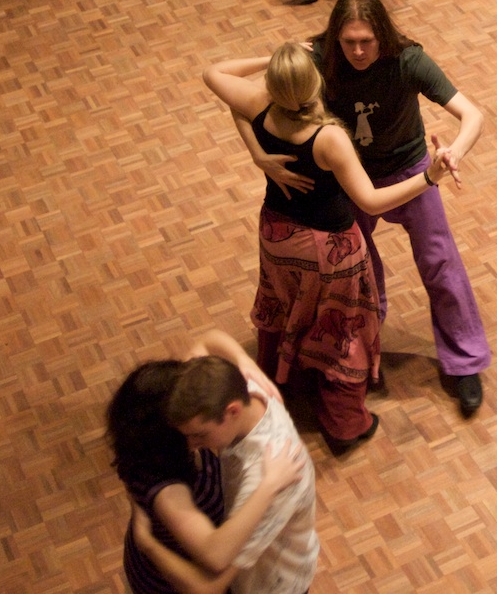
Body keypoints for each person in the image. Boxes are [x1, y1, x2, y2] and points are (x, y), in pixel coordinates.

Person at [241, 0, 492, 416]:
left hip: (411, 169)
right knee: (360, 277)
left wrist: (454, 153)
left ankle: (465, 361)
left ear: (383, 37)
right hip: (350, 177)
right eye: (349, 42)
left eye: (367, 42)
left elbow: (473, 115)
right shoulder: (318, 59)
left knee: (440, 262)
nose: (358, 51)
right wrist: (257, 153)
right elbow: (242, 100)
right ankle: (363, 357)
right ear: (334, 39)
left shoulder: (408, 60)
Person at [202, 43, 454, 449]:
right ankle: (343, 423)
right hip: (329, 249)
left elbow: (215, 73)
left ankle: (286, 388)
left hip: (277, 236)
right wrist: (429, 178)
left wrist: (258, 147)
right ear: (315, 83)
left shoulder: (260, 104)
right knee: (339, 327)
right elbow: (371, 201)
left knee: (288, 309)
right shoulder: (329, 137)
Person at [109, 341, 307, 594]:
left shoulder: (184, 412)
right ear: (171, 430)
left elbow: (208, 339)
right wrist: (269, 487)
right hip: (171, 583)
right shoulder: (168, 493)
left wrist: (243, 361)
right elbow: (215, 560)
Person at [166, 353, 318, 594]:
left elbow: (215, 571)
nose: (192, 446)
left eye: (200, 435)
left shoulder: (267, 479)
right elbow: (209, 339)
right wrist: (242, 358)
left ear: (233, 411)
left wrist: (147, 542)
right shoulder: (249, 389)